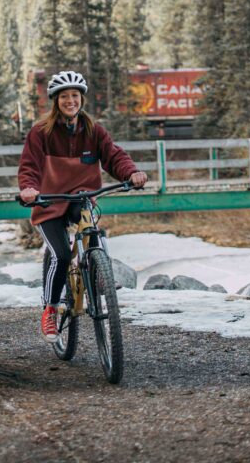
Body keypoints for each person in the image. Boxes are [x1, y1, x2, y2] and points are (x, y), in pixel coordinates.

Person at [18, 70, 147, 342]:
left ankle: (97, 268)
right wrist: (29, 189)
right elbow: (29, 166)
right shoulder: (41, 133)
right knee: (62, 256)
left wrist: (131, 173)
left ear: (81, 99)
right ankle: (50, 309)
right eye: (64, 96)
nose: (70, 101)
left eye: (75, 96)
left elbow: (114, 157)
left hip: (81, 197)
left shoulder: (94, 131)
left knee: (91, 230)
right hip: (50, 202)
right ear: (56, 101)